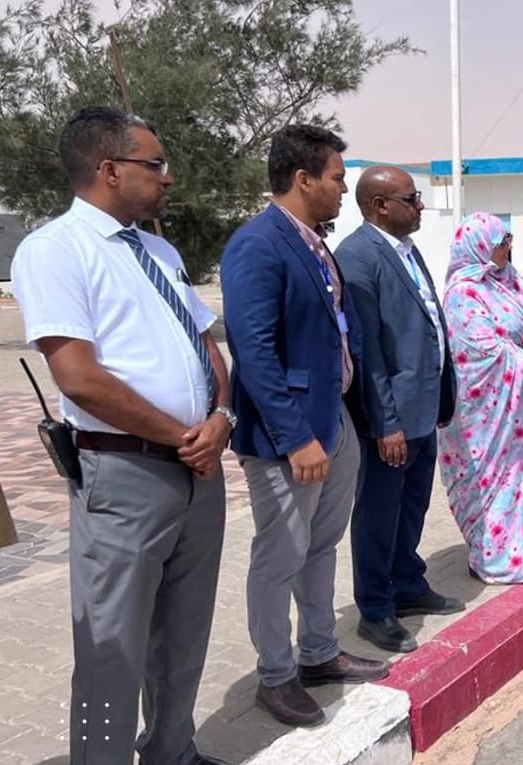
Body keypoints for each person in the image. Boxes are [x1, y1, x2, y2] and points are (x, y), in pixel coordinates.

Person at [11, 106, 231, 765]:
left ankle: (173, 751)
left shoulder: (160, 251)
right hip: (125, 475)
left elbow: (206, 345)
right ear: (109, 169)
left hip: (198, 470)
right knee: (112, 648)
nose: (168, 176)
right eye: (155, 163)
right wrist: (182, 434)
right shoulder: (55, 250)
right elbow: (79, 377)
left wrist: (221, 419)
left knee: (184, 632)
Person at [221, 126, 387, 729]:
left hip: (332, 421)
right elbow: (254, 351)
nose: (344, 189)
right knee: (280, 556)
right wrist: (295, 438)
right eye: (338, 178)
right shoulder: (257, 245)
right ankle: (275, 674)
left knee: (320, 545)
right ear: (303, 179)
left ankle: (318, 653)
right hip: (289, 438)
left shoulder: (312, 242)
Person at [333, 166, 464, 654]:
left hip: (422, 409)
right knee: (378, 513)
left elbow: (428, 326)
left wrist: (443, 395)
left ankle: (407, 583)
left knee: (411, 506)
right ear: (380, 205)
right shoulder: (358, 257)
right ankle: (375, 607)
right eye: (411, 198)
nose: (420, 205)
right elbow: (367, 351)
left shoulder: (405, 249)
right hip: (389, 422)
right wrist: (385, 423)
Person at [437, 213, 523, 583]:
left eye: (508, 238)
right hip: (481, 415)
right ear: (479, 246)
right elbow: (475, 349)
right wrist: (521, 357)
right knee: (489, 481)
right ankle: (491, 555)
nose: (508, 246)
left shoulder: (508, 281)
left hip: (518, 406)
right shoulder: (462, 292)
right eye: (500, 241)